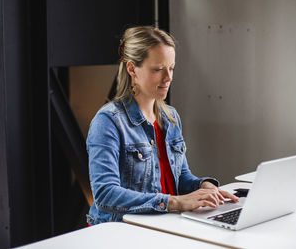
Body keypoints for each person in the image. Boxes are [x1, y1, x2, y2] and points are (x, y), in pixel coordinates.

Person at [86, 26, 238, 225]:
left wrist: (204, 187)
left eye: (171, 68)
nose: (168, 78)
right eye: (158, 69)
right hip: (124, 233)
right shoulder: (108, 121)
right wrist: (174, 202)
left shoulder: (170, 117)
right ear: (132, 69)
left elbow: (180, 177)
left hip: (164, 224)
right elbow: (105, 194)